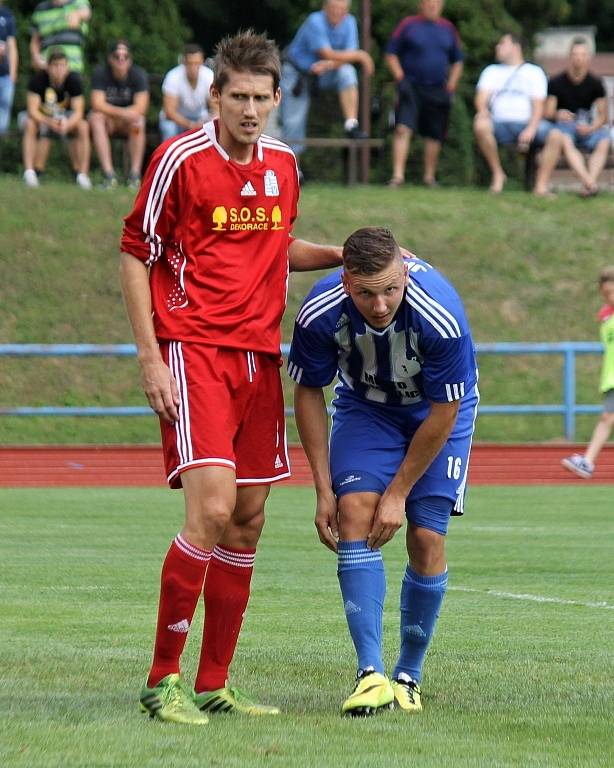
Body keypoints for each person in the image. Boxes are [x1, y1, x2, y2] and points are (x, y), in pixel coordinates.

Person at [120, 29, 344, 726]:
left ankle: (215, 681)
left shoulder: (282, 162)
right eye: (236, 96)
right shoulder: (180, 158)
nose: (249, 109)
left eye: (261, 97)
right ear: (213, 96)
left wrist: (348, 253)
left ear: (278, 99)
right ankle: (163, 680)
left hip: (259, 359)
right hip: (193, 350)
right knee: (212, 511)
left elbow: (279, 246)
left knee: (247, 524)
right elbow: (135, 254)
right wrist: (151, 357)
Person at [288, 226, 478, 716]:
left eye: (391, 289)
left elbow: (443, 411)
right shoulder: (320, 311)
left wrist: (398, 493)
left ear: (404, 272)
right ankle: (370, 674)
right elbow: (308, 391)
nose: (380, 304)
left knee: (425, 537)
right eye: (367, 292)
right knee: (353, 513)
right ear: (346, 280)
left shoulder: (441, 314)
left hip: (437, 413)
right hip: (366, 407)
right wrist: (322, 486)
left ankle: (408, 675)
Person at [279, 0, 374, 157]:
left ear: (347, 10)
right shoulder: (314, 20)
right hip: (297, 74)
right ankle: (293, 169)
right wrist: (360, 55)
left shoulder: (349, 22)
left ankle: (351, 125)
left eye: (342, 9)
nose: (338, 12)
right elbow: (327, 53)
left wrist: (330, 64)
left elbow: (345, 57)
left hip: (323, 73)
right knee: (293, 122)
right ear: (325, 8)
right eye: (334, 8)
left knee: (347, 72)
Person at [384, 0, 463, 188]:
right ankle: (398, 176)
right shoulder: (408, 25)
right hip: (410, 85)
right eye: (428, 2)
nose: (432, 5)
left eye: (436, 2)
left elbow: (458, 60)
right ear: (421, 4)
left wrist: (452, 83)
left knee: (434, 134)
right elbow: (391, 53)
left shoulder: (448, 28)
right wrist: (400, 76)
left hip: (437, 88)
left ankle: (429, 177)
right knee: (402, 128)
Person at [474, 32, 557, 196]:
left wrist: (531, 129)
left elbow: (539, 106)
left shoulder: (534, 72)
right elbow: (481, 99)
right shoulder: (491, 71)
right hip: (499, 123)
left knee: (556, 136)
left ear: (516, 47)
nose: (497, 47)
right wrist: (483, 112)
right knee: (480, 125)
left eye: (502, 43)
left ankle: (540, 186)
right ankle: (498, 174)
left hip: (528, 123)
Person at [543, 38, 612, 198]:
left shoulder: (595, 83)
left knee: (604, 140)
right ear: (570, 56)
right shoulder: (557, 82)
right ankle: (590, 183)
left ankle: (588, 185)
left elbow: (603, 116)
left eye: (582, 54)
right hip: (565, 127)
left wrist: (593, 127)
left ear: (588, 57)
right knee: (564, 140)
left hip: (587, 126)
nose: (578, 58)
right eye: (575, 54)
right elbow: (549, 112)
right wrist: (558, 114)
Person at [562, 268, 614, 479]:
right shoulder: (605, 316)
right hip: (611, 376)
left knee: (606, 417)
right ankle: (587, 462)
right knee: (606, 417)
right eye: (606, 293)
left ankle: (588, 462)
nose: (610, 297)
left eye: (612, 291)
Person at [22, 48, 91, 189]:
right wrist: (48, 122)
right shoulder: (38, 79)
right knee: (29, 123)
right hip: (42, 117)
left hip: (65, 118)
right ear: (48, 67)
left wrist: (67, 124)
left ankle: (83, 175)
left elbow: (79, 112)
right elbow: (32, 110)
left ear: (67, 67)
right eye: (55, 65)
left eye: (62, 65)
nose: (59, 69)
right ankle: (29, 172)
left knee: (83, 126)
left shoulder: (74, 80)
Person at [89, 39, 149, 189]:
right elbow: (97, 104)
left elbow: (141, 107)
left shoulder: (138, 74)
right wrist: (123, 113)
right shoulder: (100, 73)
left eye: (125, 56)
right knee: (95, 119)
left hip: (129, 124)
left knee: (138, 123)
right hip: (109, 122)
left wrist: (123, 115)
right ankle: (109, 174)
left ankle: (134, 175)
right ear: (110, 58)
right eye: (117, 56)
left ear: (130, 59)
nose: (121, 60)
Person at [159, 43, 216, 142]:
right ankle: (168, 155)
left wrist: (206, 121)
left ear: (202, 62)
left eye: (197, 63)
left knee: (216, 127)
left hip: (200, 117)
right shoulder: (173, 77)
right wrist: (191, 125)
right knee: (169, 130)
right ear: (183, 62)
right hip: (176, 119)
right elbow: (169, 112)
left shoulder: (209, 76)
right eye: (190, 63)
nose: (194, 68)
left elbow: (216, 108)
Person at [30, 0, 91, 74]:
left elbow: (86, 12)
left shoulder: (77, 2)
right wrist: (35, 57)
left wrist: (77, 14)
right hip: (47, 68)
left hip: (72, 66)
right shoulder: (40, 9)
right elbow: (35, 40)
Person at [0, 1, 17, 135]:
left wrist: (12, 74)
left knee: (3, 117)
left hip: (4, 75)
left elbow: (11, 46)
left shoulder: (7, 15)